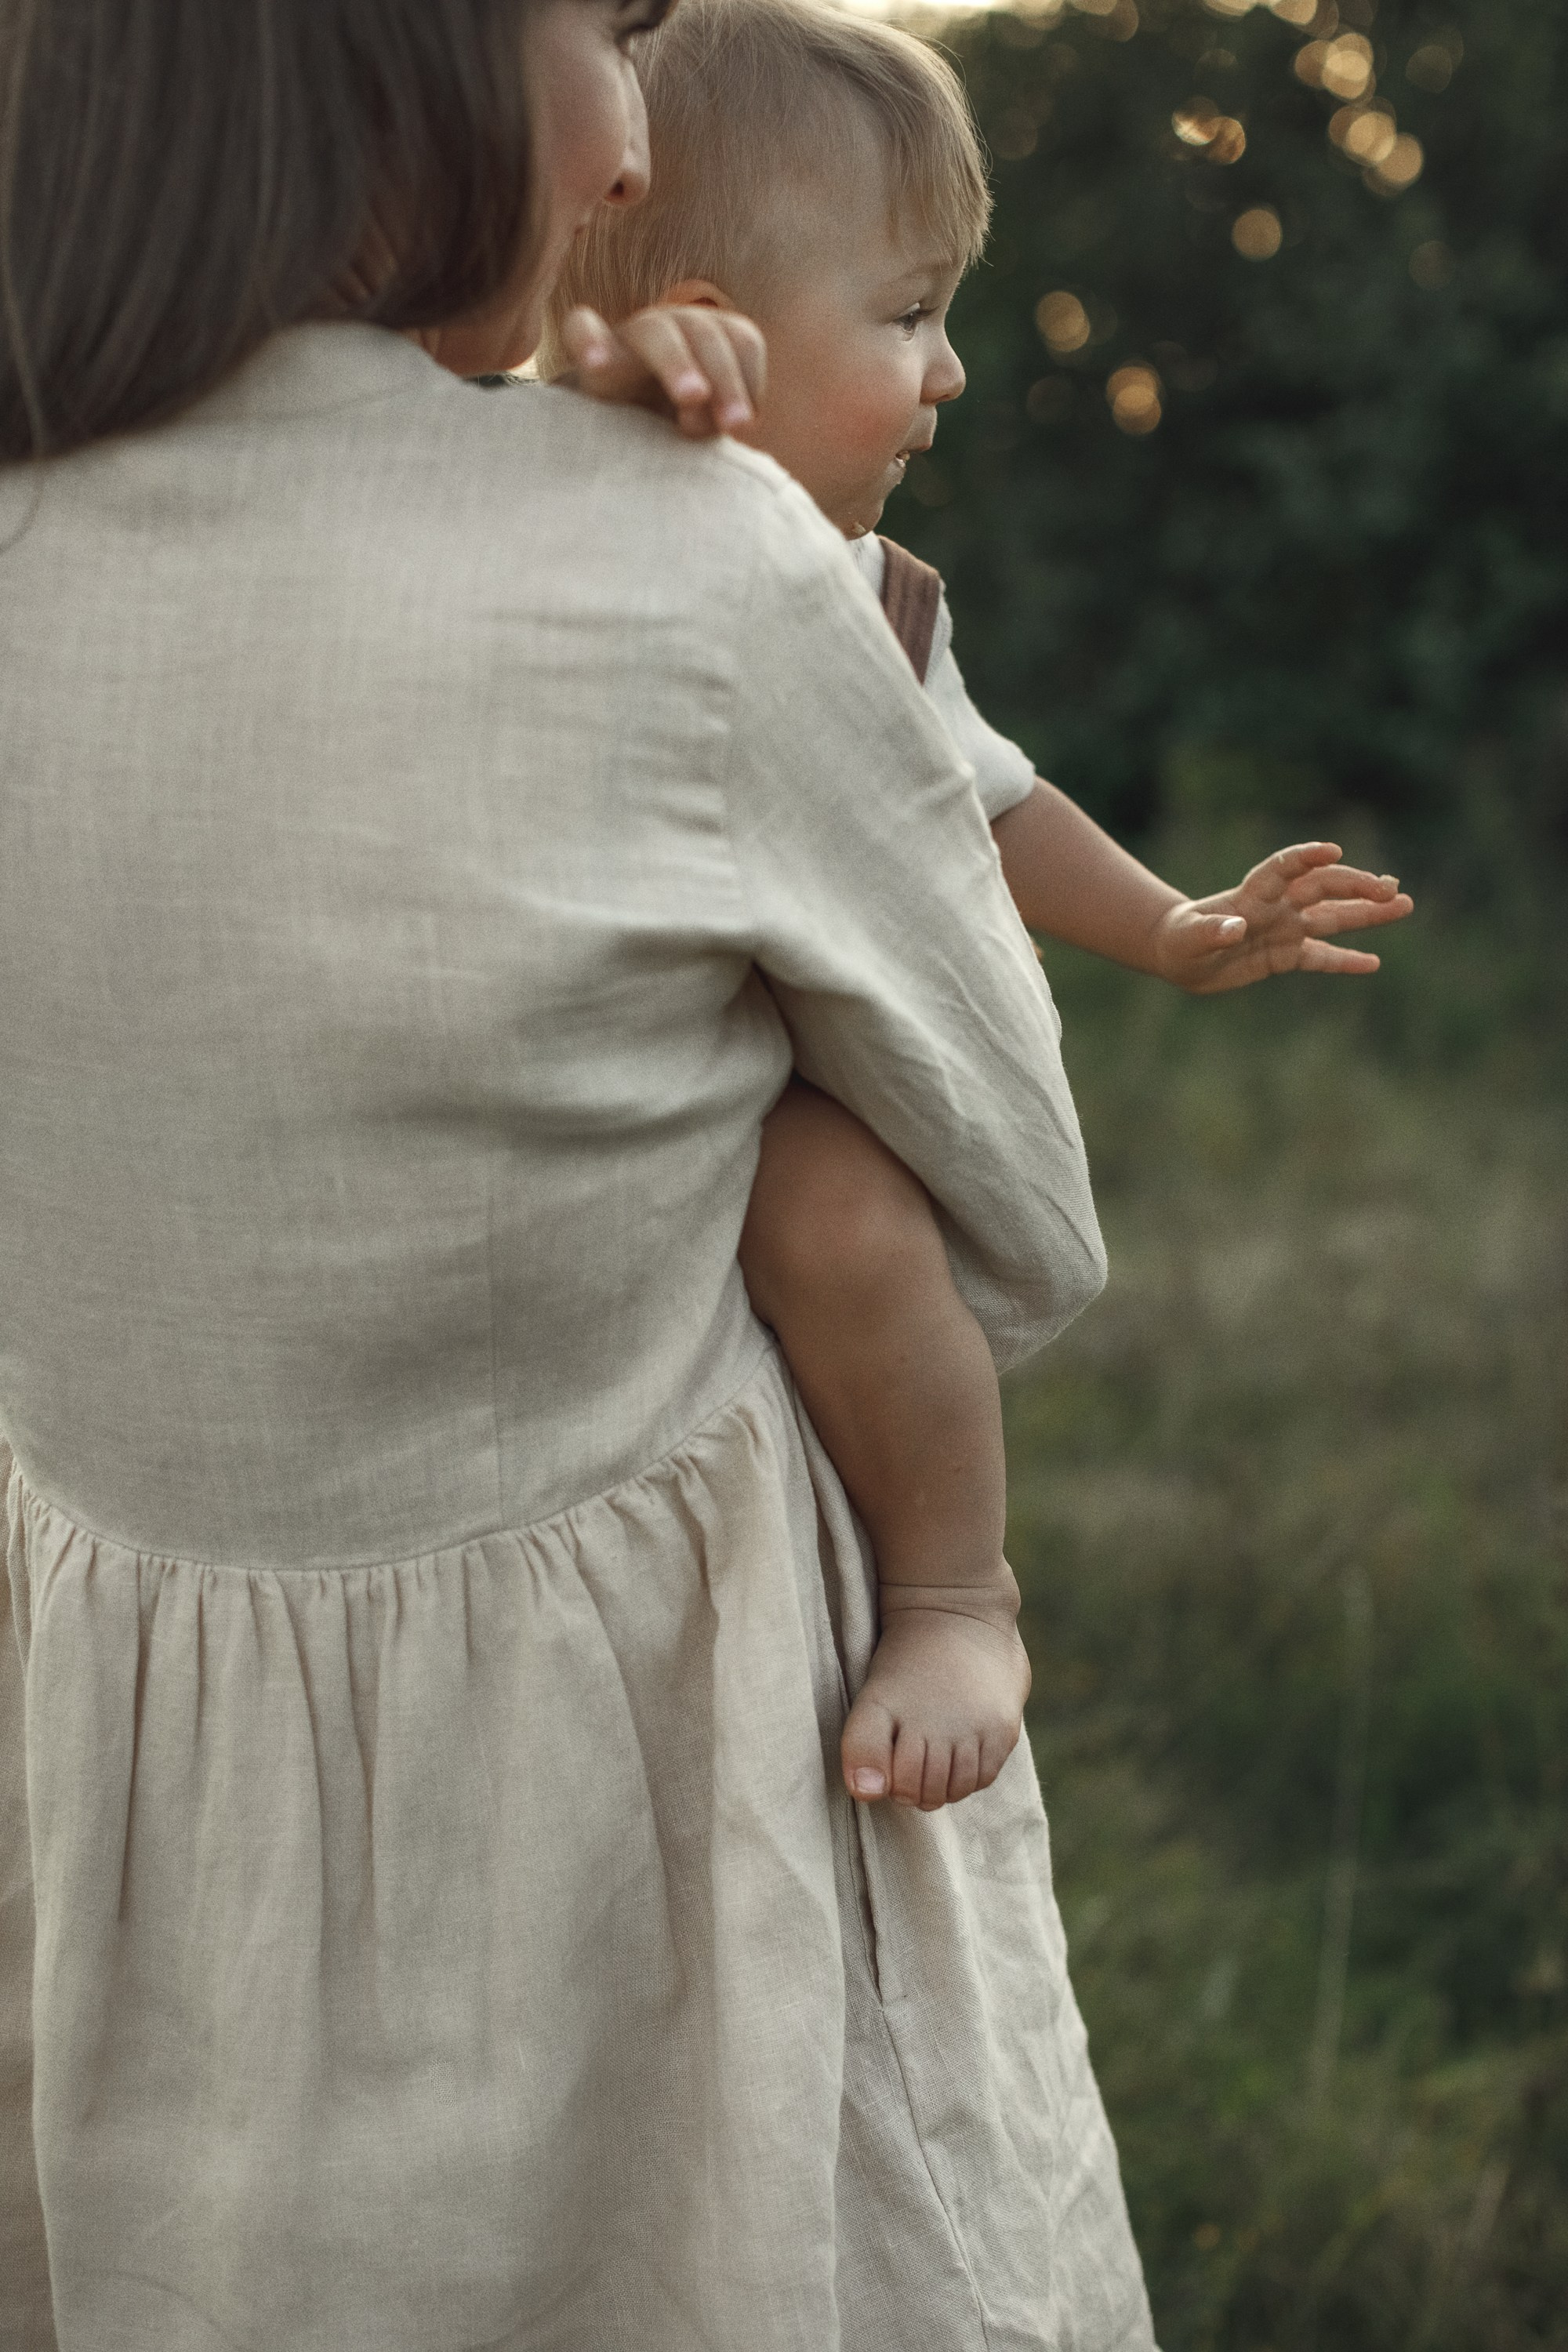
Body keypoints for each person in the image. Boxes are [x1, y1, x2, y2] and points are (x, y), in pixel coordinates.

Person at [0, 0, 1156, 2344]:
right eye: (608, 30)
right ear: (386, 57)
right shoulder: (693, 563)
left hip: (113, 1827)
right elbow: (1018, 1202)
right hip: (648, 1807)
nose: (633, 148)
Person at [540, 0, 1415, 1814]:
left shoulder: (864, 597)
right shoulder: (544, 494)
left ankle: (955, 1591)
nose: (948, 374)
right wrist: (605, 382)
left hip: (775, 1080)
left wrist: (1172, 926)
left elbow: (989, 794)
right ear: (695, 316)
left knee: (842, 1211)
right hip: (562, 1092)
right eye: (909, 315)